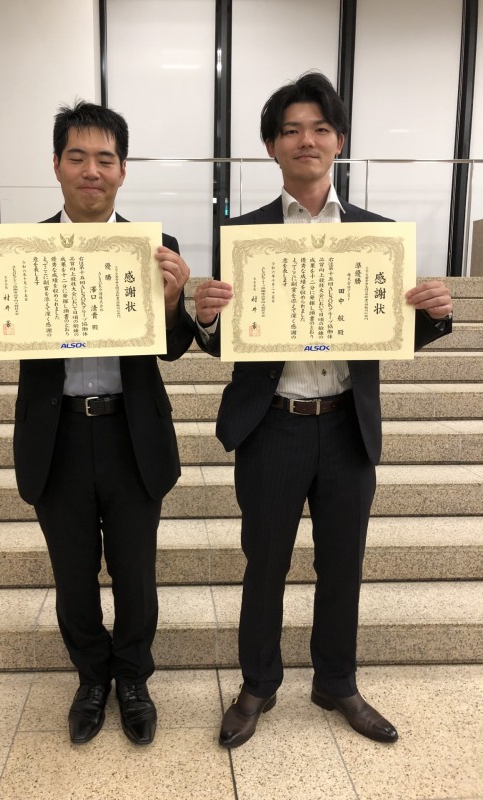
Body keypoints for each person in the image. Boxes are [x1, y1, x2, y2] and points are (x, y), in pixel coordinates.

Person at [194, 73, 453, 748]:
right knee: (265, 563)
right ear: (271, 146)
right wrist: (207, 319)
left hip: (345, 424)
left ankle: (336, 682)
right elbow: (225, 342)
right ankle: (258, 684)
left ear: (339, 140)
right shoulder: (242, 234)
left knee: (343, 565)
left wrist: (433, 313)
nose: (305, 140)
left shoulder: (377, 236)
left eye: (319, 128)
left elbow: (390, 329)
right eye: (290, 130)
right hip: (271, 423)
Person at [0, 101, 195, 746]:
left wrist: (173, 305)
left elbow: (173, 348)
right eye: (77, 157)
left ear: (123, 170)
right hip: (57, 438)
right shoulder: (17, 253)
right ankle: (91, 680)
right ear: (56, 165)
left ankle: (132, 679)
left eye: (105, 159)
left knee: (136, 573)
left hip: (131, 434)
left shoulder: (156, 249)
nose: (91, 171)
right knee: (73, 576)